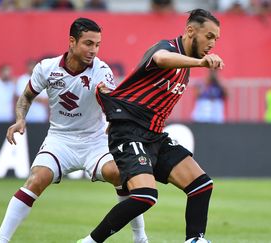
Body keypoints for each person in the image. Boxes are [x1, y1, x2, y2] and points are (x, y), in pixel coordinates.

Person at [0, 18, 148, 243]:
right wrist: (20, 119)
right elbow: (27, 96)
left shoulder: (102, 71)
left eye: (97, 44)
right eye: (88, 43)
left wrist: (113, 118)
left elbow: (114, 105)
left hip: (94, 140)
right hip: (60, 139)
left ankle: (140, 238)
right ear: (72, 42)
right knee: (36, 179)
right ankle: (1, 241)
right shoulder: (47, 68)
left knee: (119, 174)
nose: (93, 50)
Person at [78, 9, 224, 243]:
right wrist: (200, 63)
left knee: (201, 185)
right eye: (209, 36)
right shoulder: (167, 48)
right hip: (129, 132)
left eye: (216, 38)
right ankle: (90, 241)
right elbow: (160, 59)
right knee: (146, 196)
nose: (213, 43)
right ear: (190, 31)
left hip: (154, 135)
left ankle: (194, 239)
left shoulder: (185, 66)